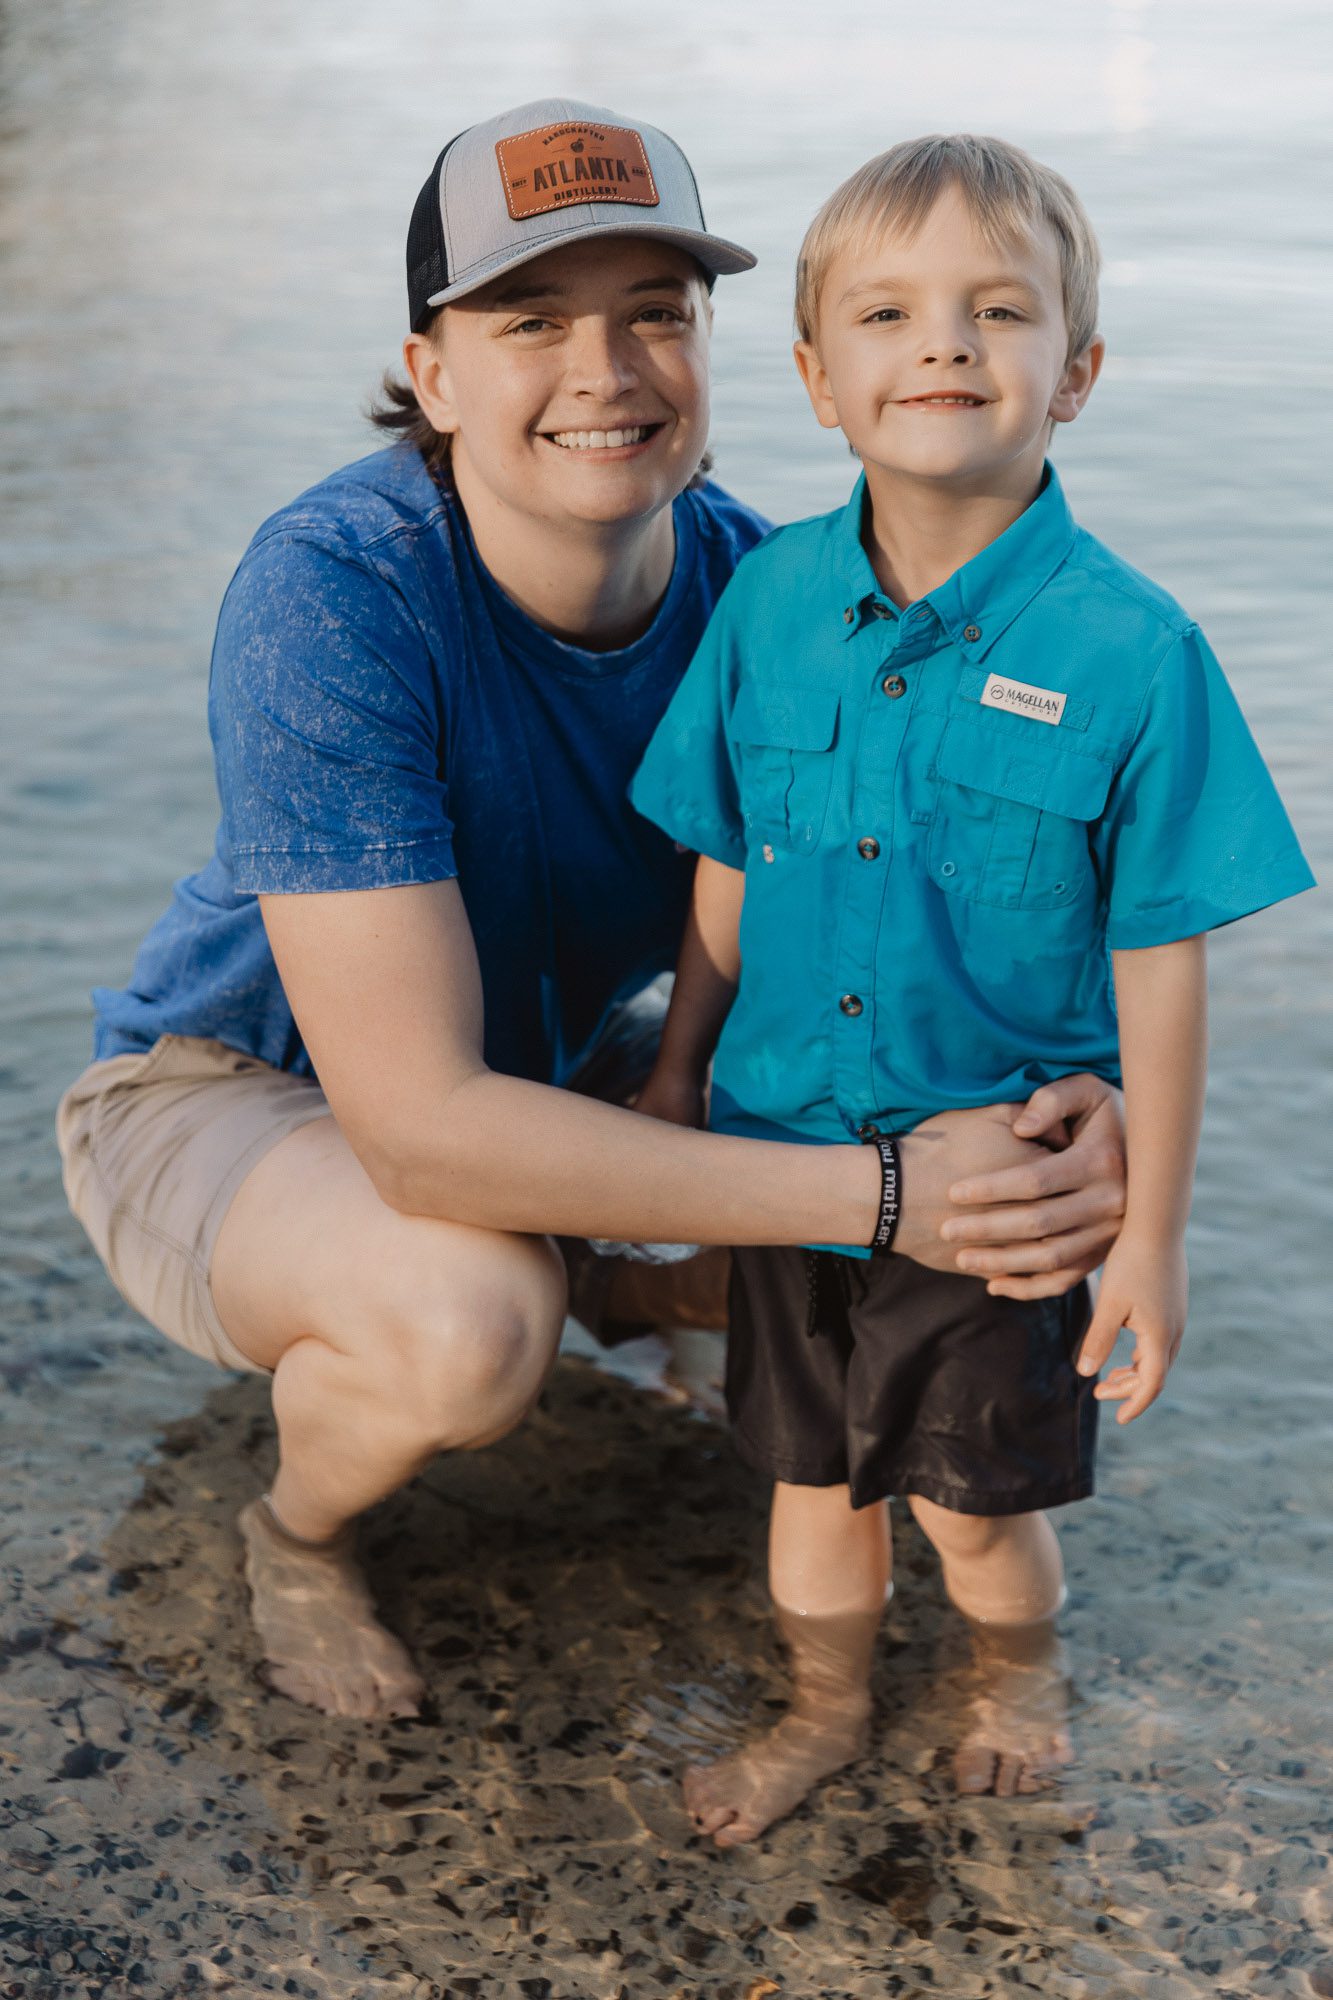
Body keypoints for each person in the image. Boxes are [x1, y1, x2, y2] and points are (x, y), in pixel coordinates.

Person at [56, 102, 1130, 1727]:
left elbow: (930, 934)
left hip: (566, 1069)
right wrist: (894, 1192)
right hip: (234, 1093)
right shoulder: (334, 593)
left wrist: (1076, 1113)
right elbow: (415, 1132)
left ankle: (640, 1303)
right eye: (531, 320)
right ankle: (293, 1533)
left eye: (655, 313)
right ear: (430, 373)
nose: (605, 370)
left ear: (722, 351)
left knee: (994, 1183)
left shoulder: (775, 592)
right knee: (469, 1324)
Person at [630, 132, 1314, 1840]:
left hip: (1002, 1179)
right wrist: (669, 1092)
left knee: (972, 1507)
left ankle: (1016, 1672)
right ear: (812, 375)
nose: (940, 345)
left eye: (995, 311)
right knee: (806, 1481)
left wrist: (1148, 1223)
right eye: (886, 312)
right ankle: (824, 1709)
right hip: (787, 1153)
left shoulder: (1130, 650)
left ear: (1072, 372)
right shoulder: (766, 601)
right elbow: (724, 867)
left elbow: (1163, 947)